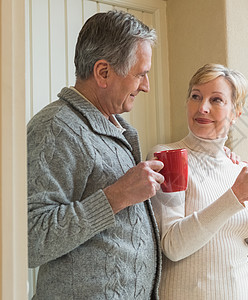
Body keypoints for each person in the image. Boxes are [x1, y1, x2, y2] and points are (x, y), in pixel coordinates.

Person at [27, 11, 165, 299]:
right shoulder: (55, 128)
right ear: (103, 72)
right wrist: (117, 196)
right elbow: (29, 239)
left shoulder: (115, 127)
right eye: (141, 74)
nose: (146, 86)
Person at [147, 63, 248, 299]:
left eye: (216, 100)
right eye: (196, 96)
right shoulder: (168, 157)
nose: (202, 107)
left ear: (236, 112)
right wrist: (235, 196)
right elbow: (172, 247)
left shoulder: (240, 169)